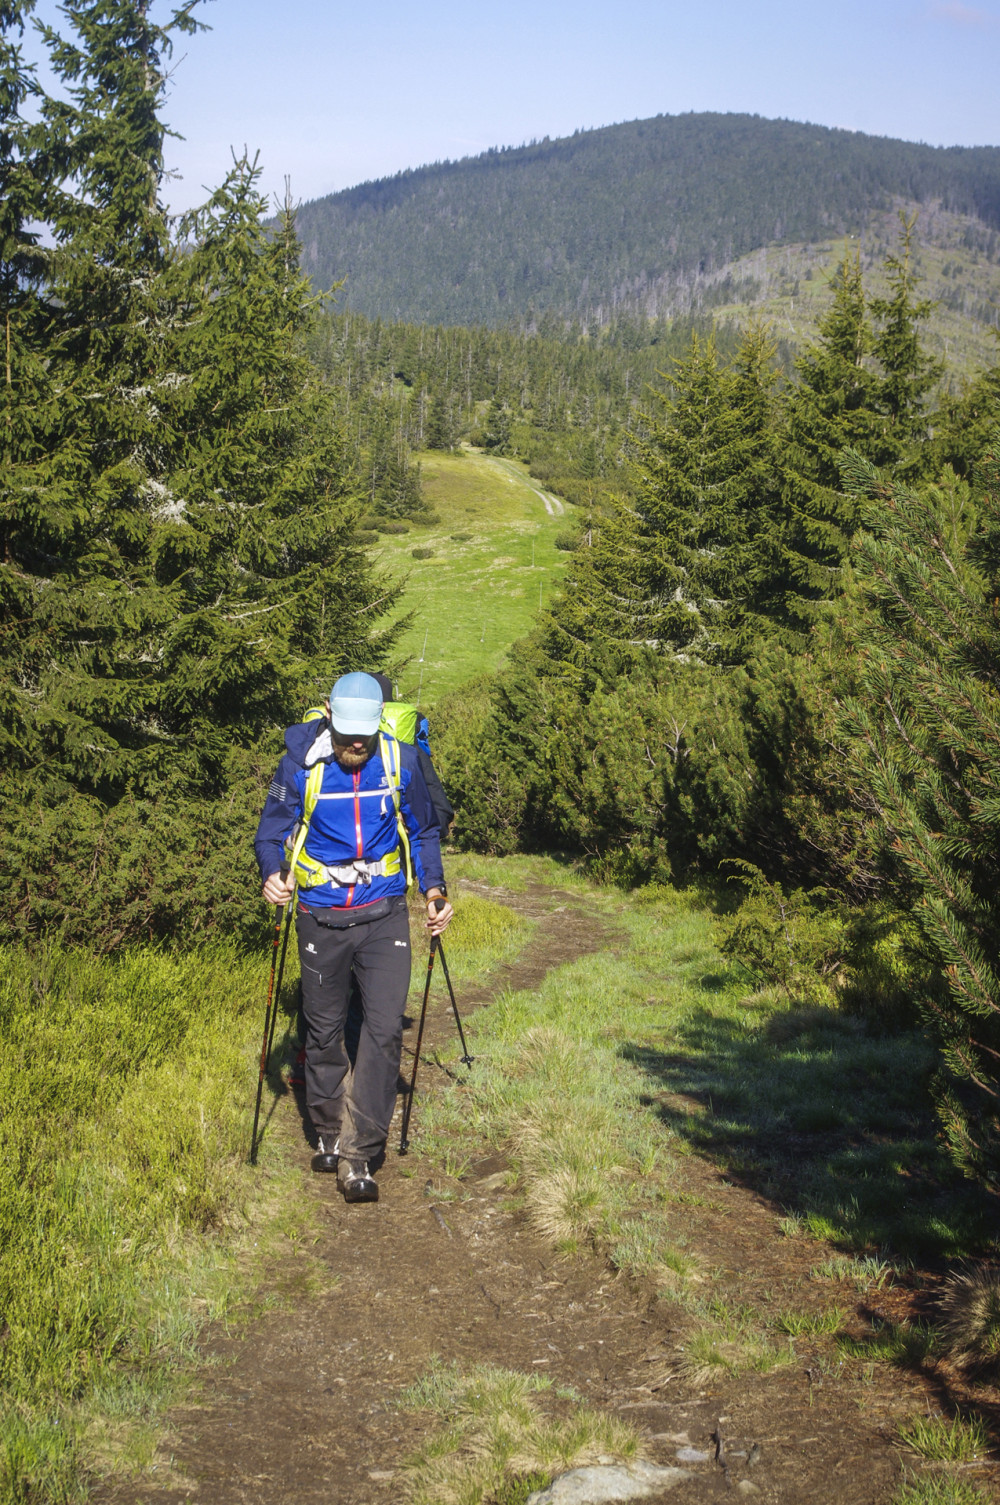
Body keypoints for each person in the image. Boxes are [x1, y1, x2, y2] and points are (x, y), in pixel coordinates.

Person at [254, 672, 453, 1203]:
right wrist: (273, 872)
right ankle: (326, 1127)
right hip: (320, 914)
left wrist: (434, 891)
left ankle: (359, 1151)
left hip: (384, 911)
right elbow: (270, 831)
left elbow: (426, 830)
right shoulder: (299, 764)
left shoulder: (401, 762)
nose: (356, 744)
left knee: (385, 1032)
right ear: (328, 713)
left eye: (364, 733)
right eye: (346, 733)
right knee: (323, 1032)